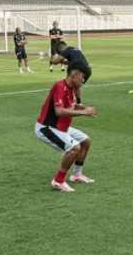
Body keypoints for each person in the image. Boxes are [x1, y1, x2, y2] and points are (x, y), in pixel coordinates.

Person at [35, 61, 97, 192]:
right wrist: (83, 112)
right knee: (74, 148)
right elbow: (59, 111)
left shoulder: (71, 88)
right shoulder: (59, 86)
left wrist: (85, 108)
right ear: (74, 75)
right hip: (47, 128)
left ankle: (76, 175)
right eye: (82, 77)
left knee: (85, 141)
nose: (83, 80)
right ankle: (58, 181)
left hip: (61, 127)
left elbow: (71, 106)